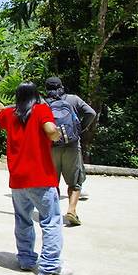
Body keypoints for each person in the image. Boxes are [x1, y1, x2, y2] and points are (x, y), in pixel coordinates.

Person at [0, 82, 72, 275]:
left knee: (23, 220)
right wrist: (57, 134)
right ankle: (49, 267)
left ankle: (26, 260)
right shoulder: (41, 109)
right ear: (36, 96)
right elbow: (51, 129)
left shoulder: (12, 114)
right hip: (41, 178)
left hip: (18, 180)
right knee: (51, 221)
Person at [45, 77, 97, 226]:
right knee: (75, 182)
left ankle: (52, 213)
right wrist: (80, 128)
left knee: (52, 181)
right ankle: (72, 210)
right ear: (61, 86)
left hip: (52, 146)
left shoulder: (43, 102)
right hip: (72, 145)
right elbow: (91, 113)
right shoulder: (73, 99)